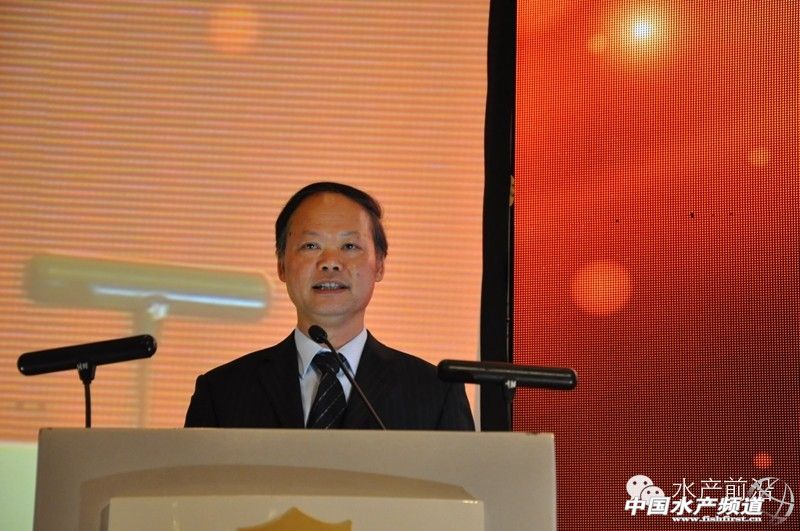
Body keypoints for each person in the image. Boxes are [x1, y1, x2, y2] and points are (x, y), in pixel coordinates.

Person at [185, 182, 475, 430]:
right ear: (282, 265)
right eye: (311, 246)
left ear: (379, 265)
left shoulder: (434, 394)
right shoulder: (221, 392)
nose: (330, 262)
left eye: (350, 246)